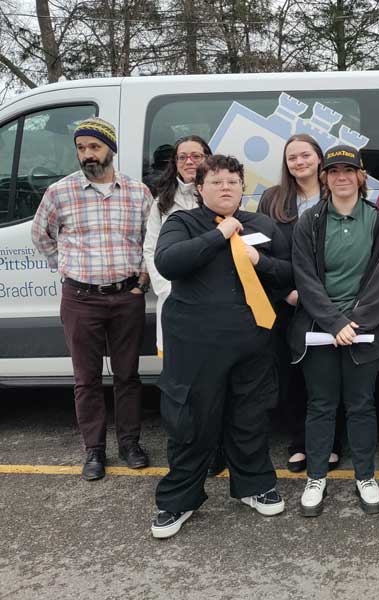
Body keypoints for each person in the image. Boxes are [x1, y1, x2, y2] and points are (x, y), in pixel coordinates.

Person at [150, 154, 292, 539]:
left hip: (253, 342)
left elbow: (288, 273)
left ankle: (254, 486)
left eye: (232, 181)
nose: (225, 187)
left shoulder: (261, 224)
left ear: (242, 187)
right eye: (215, 182)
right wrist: (220, 234)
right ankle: (180, 500)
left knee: (251, 416)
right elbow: (168, 262)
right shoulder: (182, 222)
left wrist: (259, 258)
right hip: (196, 345)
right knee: (191, 422)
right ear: (200, 188)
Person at [31, 117, 152, 481]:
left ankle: (130, 444)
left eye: (94, 147)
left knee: (128, 376)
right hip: (80, 299)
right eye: (82, 148)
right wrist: (66, 268)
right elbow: (41, 237)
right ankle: (94, 451)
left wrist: (141, 282)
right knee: (86, 379)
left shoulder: (137, 192)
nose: (87, 155)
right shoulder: (59, 192)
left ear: (110, 149)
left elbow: (151, 242)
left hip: (126, 297)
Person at [290, 145, 379, 517]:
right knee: (320, 405)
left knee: (361, 405)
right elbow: (304, 277)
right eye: (334, 170)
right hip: (320, 329)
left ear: (360, 176)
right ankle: (316, 477)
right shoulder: (310, 222)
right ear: (325, 177)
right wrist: (334, 323)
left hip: (363, 330)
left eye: (348, 171)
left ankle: (365, 476)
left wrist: (356, 322)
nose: (341, 177)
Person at [257, 134, 344, 474]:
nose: (299, 162)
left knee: (328, 375)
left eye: (305, 155)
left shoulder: (338, 194)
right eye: (292, 157)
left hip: (331, 301)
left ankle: (332, 443)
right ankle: (299, 442)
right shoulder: (273, 199)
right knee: (291, 373)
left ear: (319, 158)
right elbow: (261, 253)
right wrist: (285, 293)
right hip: (288, 300)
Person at [143, 135, 211, 355]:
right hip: (175, 297)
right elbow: (151, 248)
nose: (189, 162)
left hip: (211, 295)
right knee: (179, 366)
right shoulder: (162, 202)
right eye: (182, 157)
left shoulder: (219, 195)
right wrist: (166, 289)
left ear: (208, 159)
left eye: (196, 156)